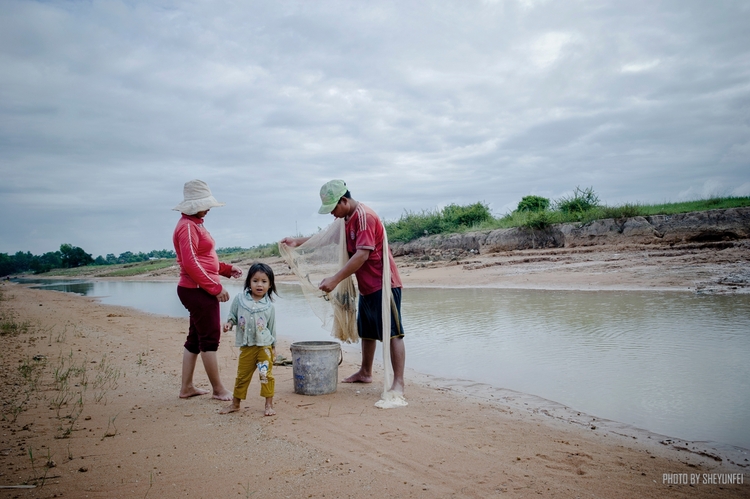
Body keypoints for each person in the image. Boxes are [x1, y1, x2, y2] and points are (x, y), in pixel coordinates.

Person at [281, 179, 406, 394]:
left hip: (384, 284)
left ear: (344, 200)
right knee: (366, 331)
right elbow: (326, 238)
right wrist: (297, 241)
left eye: (332, 208)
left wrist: (335, 279)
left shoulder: (364, 217)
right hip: (367, 286)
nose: (331, 214)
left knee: (394, 333)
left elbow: (361, 255)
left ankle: (399, 383)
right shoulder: (346, 218)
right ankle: (365, 372)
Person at [172, 179, 243, 401]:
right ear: (194, 205)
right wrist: (215, 288)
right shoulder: (186, 227)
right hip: (196, 290)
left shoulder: (196, 224)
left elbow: (204, 259)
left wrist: (226, 269)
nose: (209, 208)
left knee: (195, 338)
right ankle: (219, 390)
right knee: (210, 338)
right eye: (206, 204)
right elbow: (191, 263)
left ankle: (187, 388)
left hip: (198, 287)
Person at [220, 262, 278, 416]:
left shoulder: (269, 307)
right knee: (242, 376)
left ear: (270, 285)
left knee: (266, 375)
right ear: (249, 282)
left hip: (264, 347)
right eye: (255, 281)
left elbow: (272, 328)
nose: (259, 285)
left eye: (264, 281)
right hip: (247, 347)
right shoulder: (239, 300)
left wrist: (273, 348)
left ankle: (268, 405)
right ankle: (235, 404)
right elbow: (232, 316)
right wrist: (228, 324)